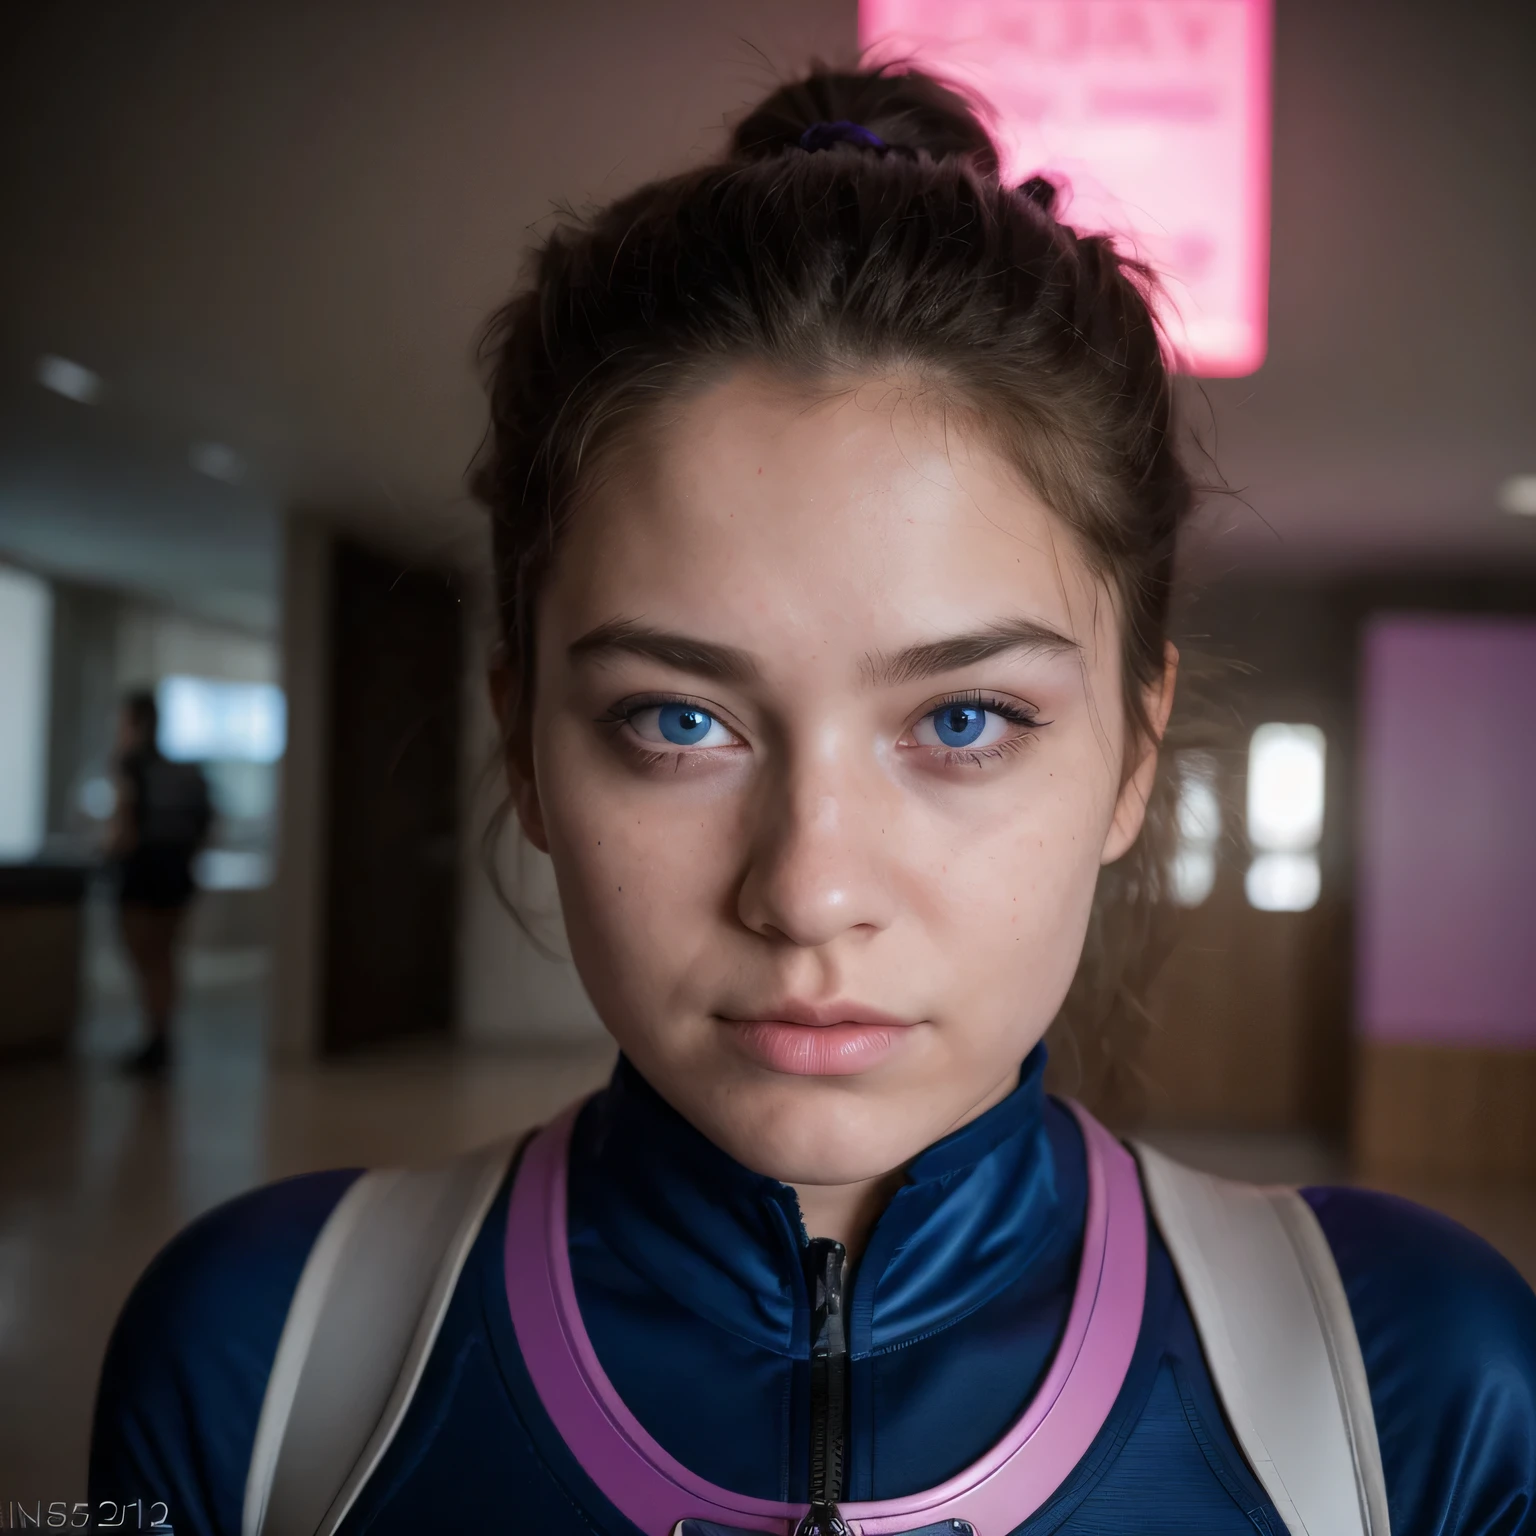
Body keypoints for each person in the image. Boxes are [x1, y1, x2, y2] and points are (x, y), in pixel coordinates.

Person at [90, 68, 1534, 1535]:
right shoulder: (258, 1365)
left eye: (964, 721)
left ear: (1134, 756)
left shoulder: (1410, 1392)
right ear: (526, 744)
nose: (808, 888)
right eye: (679, 720)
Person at [108, 688, 212, 1074]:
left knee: (146, 958)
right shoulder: (181, 772)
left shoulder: (131, 765)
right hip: (176, 873)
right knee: (165, 960)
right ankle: (161, 1038)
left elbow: (125, 829)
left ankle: (155, 1040)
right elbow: (206, 826)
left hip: (144, 873)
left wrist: (105, 849)